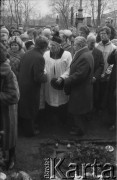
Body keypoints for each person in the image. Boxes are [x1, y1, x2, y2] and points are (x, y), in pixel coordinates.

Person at [18, 36, 48, 137]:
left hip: (22, 85)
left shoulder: (27, 53)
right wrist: (46, 76)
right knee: (31, 109)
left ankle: (26, 128)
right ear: (44, 47)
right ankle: (30, 132)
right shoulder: (39, 57)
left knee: (25, 108)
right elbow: (38, 77)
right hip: (31, 88)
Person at [64, 36, 94, 136]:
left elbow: (80, 75)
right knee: (79, 110)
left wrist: (67, 80)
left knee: (78, 111)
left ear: (80, 45)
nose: (73, 46)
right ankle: (78, 127)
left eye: (75, 44)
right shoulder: (85, 54)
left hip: (81, 89)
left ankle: (80, 131)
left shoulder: (84, 56)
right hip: (81, 88)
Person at [44, 35, 72, 129]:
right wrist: (44, 73)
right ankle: (50, 122)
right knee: (49, 100)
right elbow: (43, 67)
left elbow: (69, 69)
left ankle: (63, 121)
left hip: (62, 82)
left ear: (59, 46)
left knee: (62, 102)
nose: (51, 48)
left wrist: (62, 77)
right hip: (49, 82)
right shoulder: (46, 54)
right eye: (50, 45)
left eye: (54, 46)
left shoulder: (67, 54)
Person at [0, 42, 19, 169]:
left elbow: (14, 96)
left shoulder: (7, 72)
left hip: (5, 112)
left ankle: (11, 157)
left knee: (8, 136)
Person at [96, 26, 116, 110]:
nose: (102, 35)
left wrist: (106, 74)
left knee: (104, 93)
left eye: (104, 33)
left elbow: (112, 64)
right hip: (97, 74)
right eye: (100, 33)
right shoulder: (97, 46)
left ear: (109, 35)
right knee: (96, 92)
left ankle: (103, 109)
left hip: (106, 76)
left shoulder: (114, 48)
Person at [87, 33, 104, 111]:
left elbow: (101, 65)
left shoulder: (99, 52)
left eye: (94, 42)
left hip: (94, 79)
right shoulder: (82, 51)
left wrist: (95, 76)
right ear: (87, 42)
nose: (93, 44)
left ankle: (92, 110)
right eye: (91, 42)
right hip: (84, 79)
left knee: (94, 96)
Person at [107, 49, 117, 130]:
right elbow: (110, 61)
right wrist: (113, 52)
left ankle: (114, 124)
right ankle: (112, 122)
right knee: (112, 104)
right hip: (113, 82)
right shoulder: (115, 51)